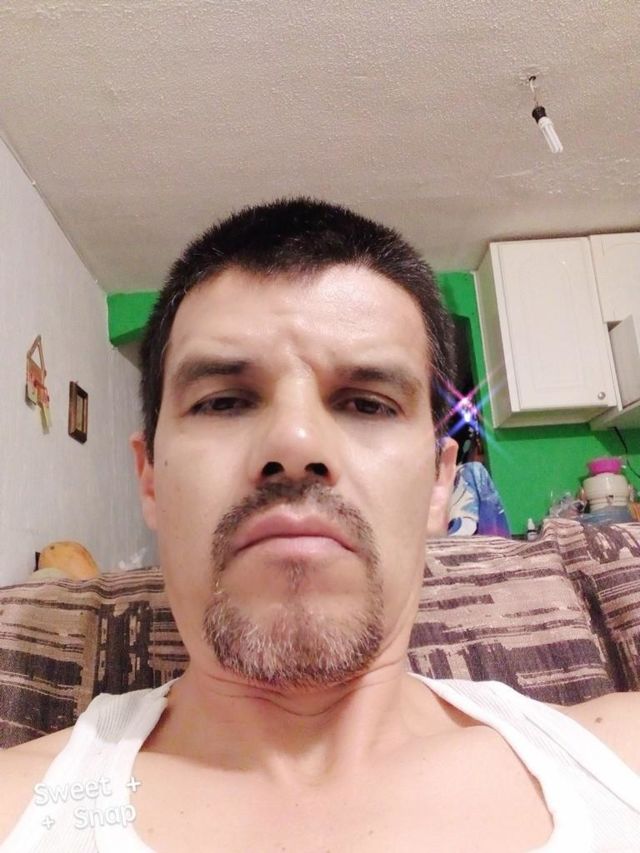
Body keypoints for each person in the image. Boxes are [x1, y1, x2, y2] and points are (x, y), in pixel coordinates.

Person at [1, 197, 639, 852]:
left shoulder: (621, 759)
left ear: (439, 483)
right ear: (150, 480)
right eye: (223, 401)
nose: (297, 441)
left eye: (368, 403)